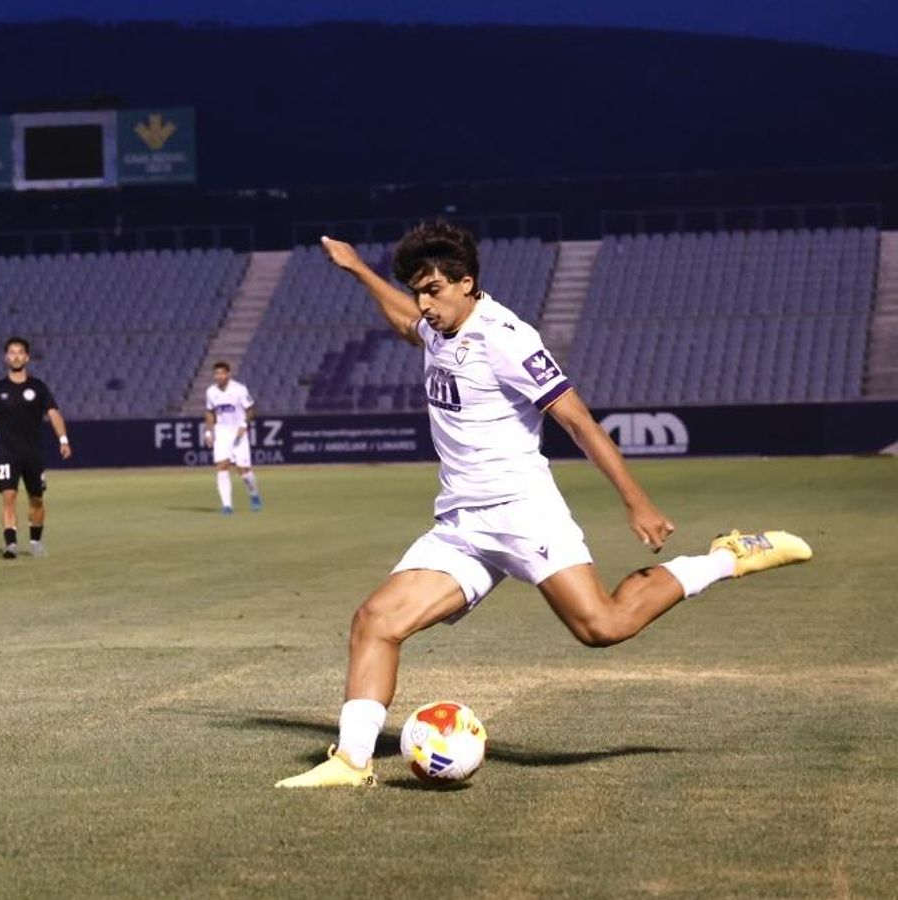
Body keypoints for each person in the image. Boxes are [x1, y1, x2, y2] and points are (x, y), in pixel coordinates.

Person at [276, 222, 811, 788]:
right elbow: (407, 322)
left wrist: (637, 502)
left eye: (433, 290)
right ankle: (351, 761)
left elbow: (577, 421)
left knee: (602, 626)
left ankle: (726, 558)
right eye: (418, 291)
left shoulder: (507, 338)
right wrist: (359, 269)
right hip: (462, 523)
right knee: (376, 622)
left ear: (466, 282)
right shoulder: (437, 324)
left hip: (522, 511)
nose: (424, 304)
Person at [0, 336, 71, 559]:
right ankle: (10, 544)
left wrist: (63, 440)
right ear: (6, 357)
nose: (16, 356)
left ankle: (36, 541)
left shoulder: (38, 387)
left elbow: (54, 414)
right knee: (8, 497)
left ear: (27, 357)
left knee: (36, 499)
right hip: (7, 452)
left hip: (33, 454)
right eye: (12, 352)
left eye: (20, 352)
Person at [203, 361, 262, 514]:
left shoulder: (239, 389)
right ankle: (227, 506)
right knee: (222, 466)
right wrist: (209, 431)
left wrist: (244, 424)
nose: (219, 376)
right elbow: (209, 411)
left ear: (228, 374)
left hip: (238, 432)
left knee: (243, 471)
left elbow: (251, 410)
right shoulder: (211, 391)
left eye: (222, 373)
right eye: (216, 374)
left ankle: (254, 495)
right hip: (222, 432)